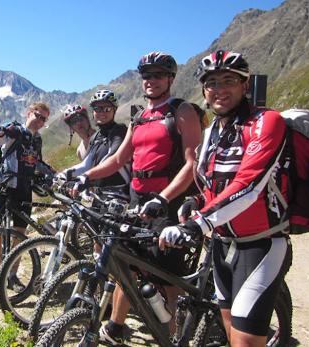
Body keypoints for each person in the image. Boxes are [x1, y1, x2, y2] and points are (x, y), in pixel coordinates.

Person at [159, 50, 293, 347]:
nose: (219, 89)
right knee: (231, 331)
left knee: (246, 340)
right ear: (204, 91)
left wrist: (196, 225)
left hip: (261, 245)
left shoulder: (267, 122)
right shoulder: (212, 132)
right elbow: (209, 182)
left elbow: (248, 185)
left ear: (245, 85)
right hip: (221, 247)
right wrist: (196, 202)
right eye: (212, 83)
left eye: (228, 80)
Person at [73, 52, 202, 345]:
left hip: (167, 205)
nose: (151, 81)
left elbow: (192, 164)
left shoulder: (182, 111)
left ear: (170, 78)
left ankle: (173, 337)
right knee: (125, 267)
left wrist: (163, 199)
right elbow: (119, 158)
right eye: (147, 76)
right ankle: (115, 329)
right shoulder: (140, 117)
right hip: (136, 203)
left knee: (167, 278)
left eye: (158, 75)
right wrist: (87, 176)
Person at [0, 102, 50, 292]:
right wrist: (0, 131)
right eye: (37, 115)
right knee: (0, 231)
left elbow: (37, 161)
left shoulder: (37, 140)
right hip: (7, 187)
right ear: (28, 113)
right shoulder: (15, 130)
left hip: (25, 189)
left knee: (20, 234)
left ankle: (12, 276)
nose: (39, 121)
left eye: (43, 118)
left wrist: (51, 174)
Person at [58, 93, 129, 191]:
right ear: (93, 112)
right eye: (97, 109)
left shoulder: (119, 130)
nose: (102, 113)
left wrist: (85, 176)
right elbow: (86, 165)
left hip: (120, 191)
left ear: (114, 110)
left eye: (107, 109)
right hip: (100, 194)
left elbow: (113, 158)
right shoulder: (95, 137)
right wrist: (63, 175)